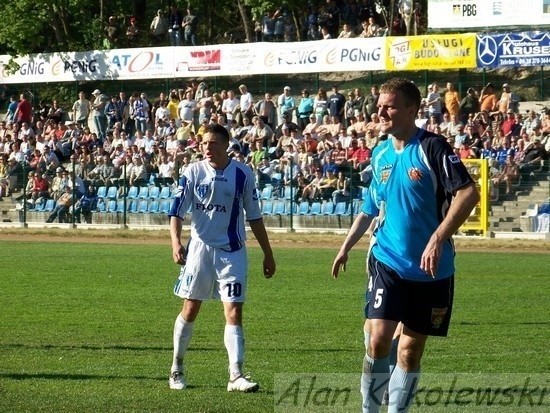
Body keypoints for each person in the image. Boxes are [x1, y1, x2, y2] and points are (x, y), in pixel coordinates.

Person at [331, 78, 479, 413]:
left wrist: (438, 238)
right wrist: (346, 246)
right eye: (379, 105)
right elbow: (371, 207)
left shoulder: (432, 148)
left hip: (432, 269)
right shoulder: (380, 152)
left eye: (390, 106)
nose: (381, 111)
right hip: (388, 259)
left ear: (412, 109)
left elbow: (468, 193)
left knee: (409, 352)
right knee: (379, 338)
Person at [168, 123, 276, 392]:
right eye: (204, 143)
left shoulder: (242, 174)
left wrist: (268, 253)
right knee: (190, 309)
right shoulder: (192, 172)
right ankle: (177, 368)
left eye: (213, 143)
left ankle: (236, 375)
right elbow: (176, 212)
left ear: (226, 145)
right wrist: (175, 243)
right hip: (200, 251)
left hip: (232, 252)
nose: (207, 148)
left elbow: (254, 216)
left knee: (234, 310)